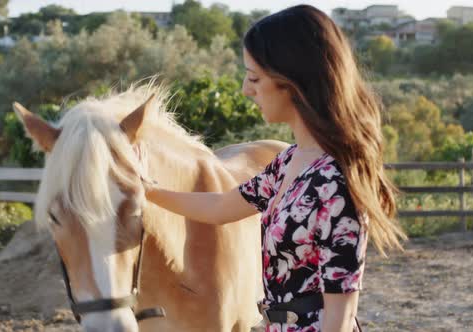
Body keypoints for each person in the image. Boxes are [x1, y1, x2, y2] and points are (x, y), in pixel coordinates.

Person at [144, 5, 406, 332]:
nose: (245, 89)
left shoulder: (335, 182)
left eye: (254, 77)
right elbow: (221, 206)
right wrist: (146, 191)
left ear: (292, 82)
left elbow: (340, 312)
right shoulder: (289, 161)